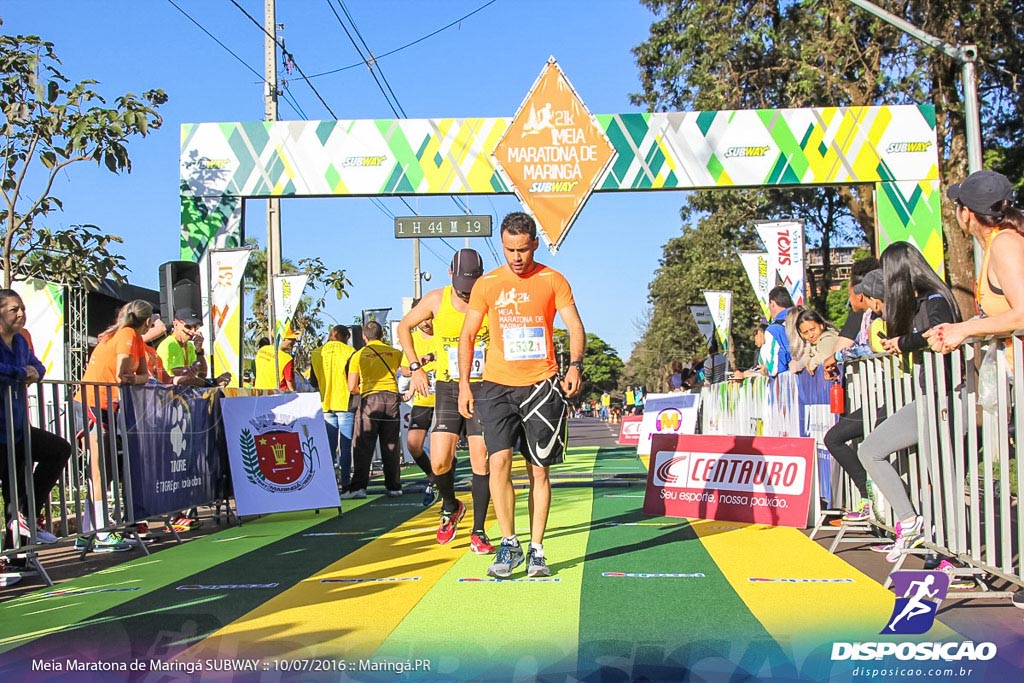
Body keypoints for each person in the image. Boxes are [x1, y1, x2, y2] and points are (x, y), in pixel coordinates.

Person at [457, 212, 585, 578]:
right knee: (496, 463)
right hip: (496, 385)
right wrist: (465, 384)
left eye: (523, 250)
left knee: (538, 470)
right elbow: (468, 336)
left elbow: (575, 326)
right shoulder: (487, 283)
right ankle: (509, 544)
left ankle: (538, 550)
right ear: (502, 245)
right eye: (510, 249)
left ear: (535, 244)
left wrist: (575, 365)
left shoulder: (552, 279)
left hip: (541, 384)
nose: (516, 257)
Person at [857, 241, 961, 562]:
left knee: (938, 476)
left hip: (944, 399)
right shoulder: (921, 303)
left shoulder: (935, 301)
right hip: (929, 398)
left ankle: (941, 547)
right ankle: (920, 531)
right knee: (874, 451)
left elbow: (937, 333)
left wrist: (903, 342)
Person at [398, 249, 494, 552]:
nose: (468, 294)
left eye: (473, 286)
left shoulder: (490, 296)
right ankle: (451, 506)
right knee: (439, 460)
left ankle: (478, 531)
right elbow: (404, 327)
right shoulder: (437, 299)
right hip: (448, 388)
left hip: (483, 389)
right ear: (451, 274)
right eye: (463, 287)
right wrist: (415, 367)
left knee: (481, 458)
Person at [74, 299, 154, 552]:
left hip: (109, 406)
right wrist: (131, 377)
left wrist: (135, 378)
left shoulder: (138, 339)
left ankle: (88, 530)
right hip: (91, 402)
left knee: (107, 468)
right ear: (147, 320)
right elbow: (123, 373)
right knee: (98, 467)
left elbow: (142, 376)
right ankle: (99, 533)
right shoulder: (126, 334)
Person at [0, 289, 72, 553]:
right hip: (0, 430)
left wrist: (34, 372)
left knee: (59, 449)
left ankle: (22, 537)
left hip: (17, 429)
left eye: (22, 308)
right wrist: (21, 373)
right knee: (10, 494)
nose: (21, 314)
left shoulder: (19, 341)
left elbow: (37, 366)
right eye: (13, 309)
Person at [924, 170, 1024, 355]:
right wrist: (954, 329)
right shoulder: (999, 243)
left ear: (966, 213)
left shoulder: (1005, 243)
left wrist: (963, 329)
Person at [822, 268, 887, 522]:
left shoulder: (882, 316)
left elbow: (872, 348)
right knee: (838, 440)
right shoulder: (867, 316)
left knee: (862, 447)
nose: (852, 301)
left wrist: (837, 356)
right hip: (872, 395)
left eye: (854, 294)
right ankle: (869, 498)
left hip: (889, 395)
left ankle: (879, 503)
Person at [342, 321, 404, 499]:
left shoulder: (359, 355)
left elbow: (352, 386)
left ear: (364, 336)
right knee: (391, 443)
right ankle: (393, 486)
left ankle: (358, 488)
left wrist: (364, 392)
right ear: (382, 334)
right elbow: (407, 371)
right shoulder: (395, 352)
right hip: (392, 397)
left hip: (370, 398)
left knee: (363, 444)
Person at [310, 325, 357, 488]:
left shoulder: (316, 353)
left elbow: (313, 382)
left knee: (329, 445)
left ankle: (329, 483)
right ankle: (345, 481)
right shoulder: (350, 352)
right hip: (345, 403)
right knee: (345, 444)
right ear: (345, 336)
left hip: (325, 403)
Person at [401, 317, 441, 509]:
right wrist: (416, 367)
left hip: (444, 399)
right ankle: (431, 475)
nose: (425, 323)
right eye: (422, 320)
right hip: (422, 400)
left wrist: (433, 357)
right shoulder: (413, 338)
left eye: (429, 319)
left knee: (441, 448)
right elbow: (403, 368)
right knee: (413, 445)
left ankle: (442, 488)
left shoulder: (442, 333)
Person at [795, 309, 839, 375]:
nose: (811, 335)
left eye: (812, 329)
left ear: (821, 325)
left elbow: (826, 355)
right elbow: (804, 359)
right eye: (805, 333)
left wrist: (812, 363)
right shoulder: (811, 344)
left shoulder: (827, 338)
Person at [764, 287, 794, 376]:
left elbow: (773, 370)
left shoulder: (773, 330)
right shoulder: (806, 319)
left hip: (791, 383)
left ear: (772, 304)